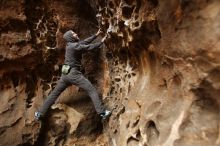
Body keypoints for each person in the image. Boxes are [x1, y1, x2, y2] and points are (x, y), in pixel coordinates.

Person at [35, 29, 111, 120]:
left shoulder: (70, 45)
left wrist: (96, 35)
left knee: (54, 94)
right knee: (91, 90)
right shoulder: (75, 46)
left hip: (65, 74)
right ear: (71, 37)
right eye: (73, 34)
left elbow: (84, 42)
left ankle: (39, 113)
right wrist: (101, 42)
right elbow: (88, 47)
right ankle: (102, 112)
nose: (76, 34)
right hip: (73, 74)